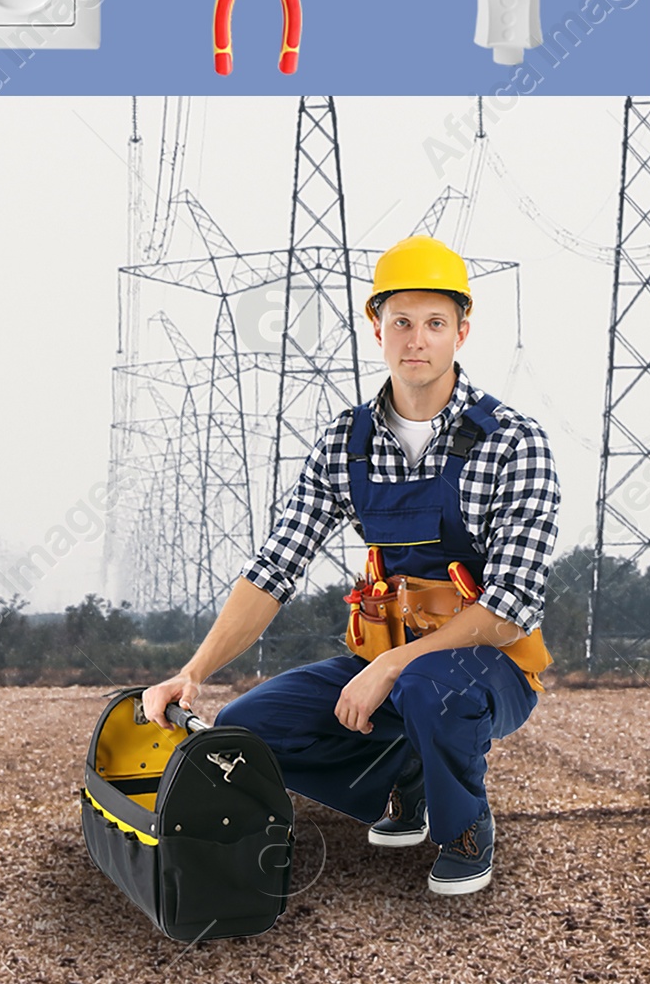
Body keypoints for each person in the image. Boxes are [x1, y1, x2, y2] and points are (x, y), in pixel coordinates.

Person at [144, 235, 560, 897]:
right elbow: (276, 565)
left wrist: (394, 666)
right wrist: (192, 672)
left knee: (430, 688)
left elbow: (511, 602)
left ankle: (463, 830)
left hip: (488, 670)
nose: (415, 339)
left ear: (462, 331)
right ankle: (405, 775)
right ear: (376, 326)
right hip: (386, 663)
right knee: (245, 733)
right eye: (401, 321)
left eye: (434, 322)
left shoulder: (514, 441)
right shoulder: (348, 442)